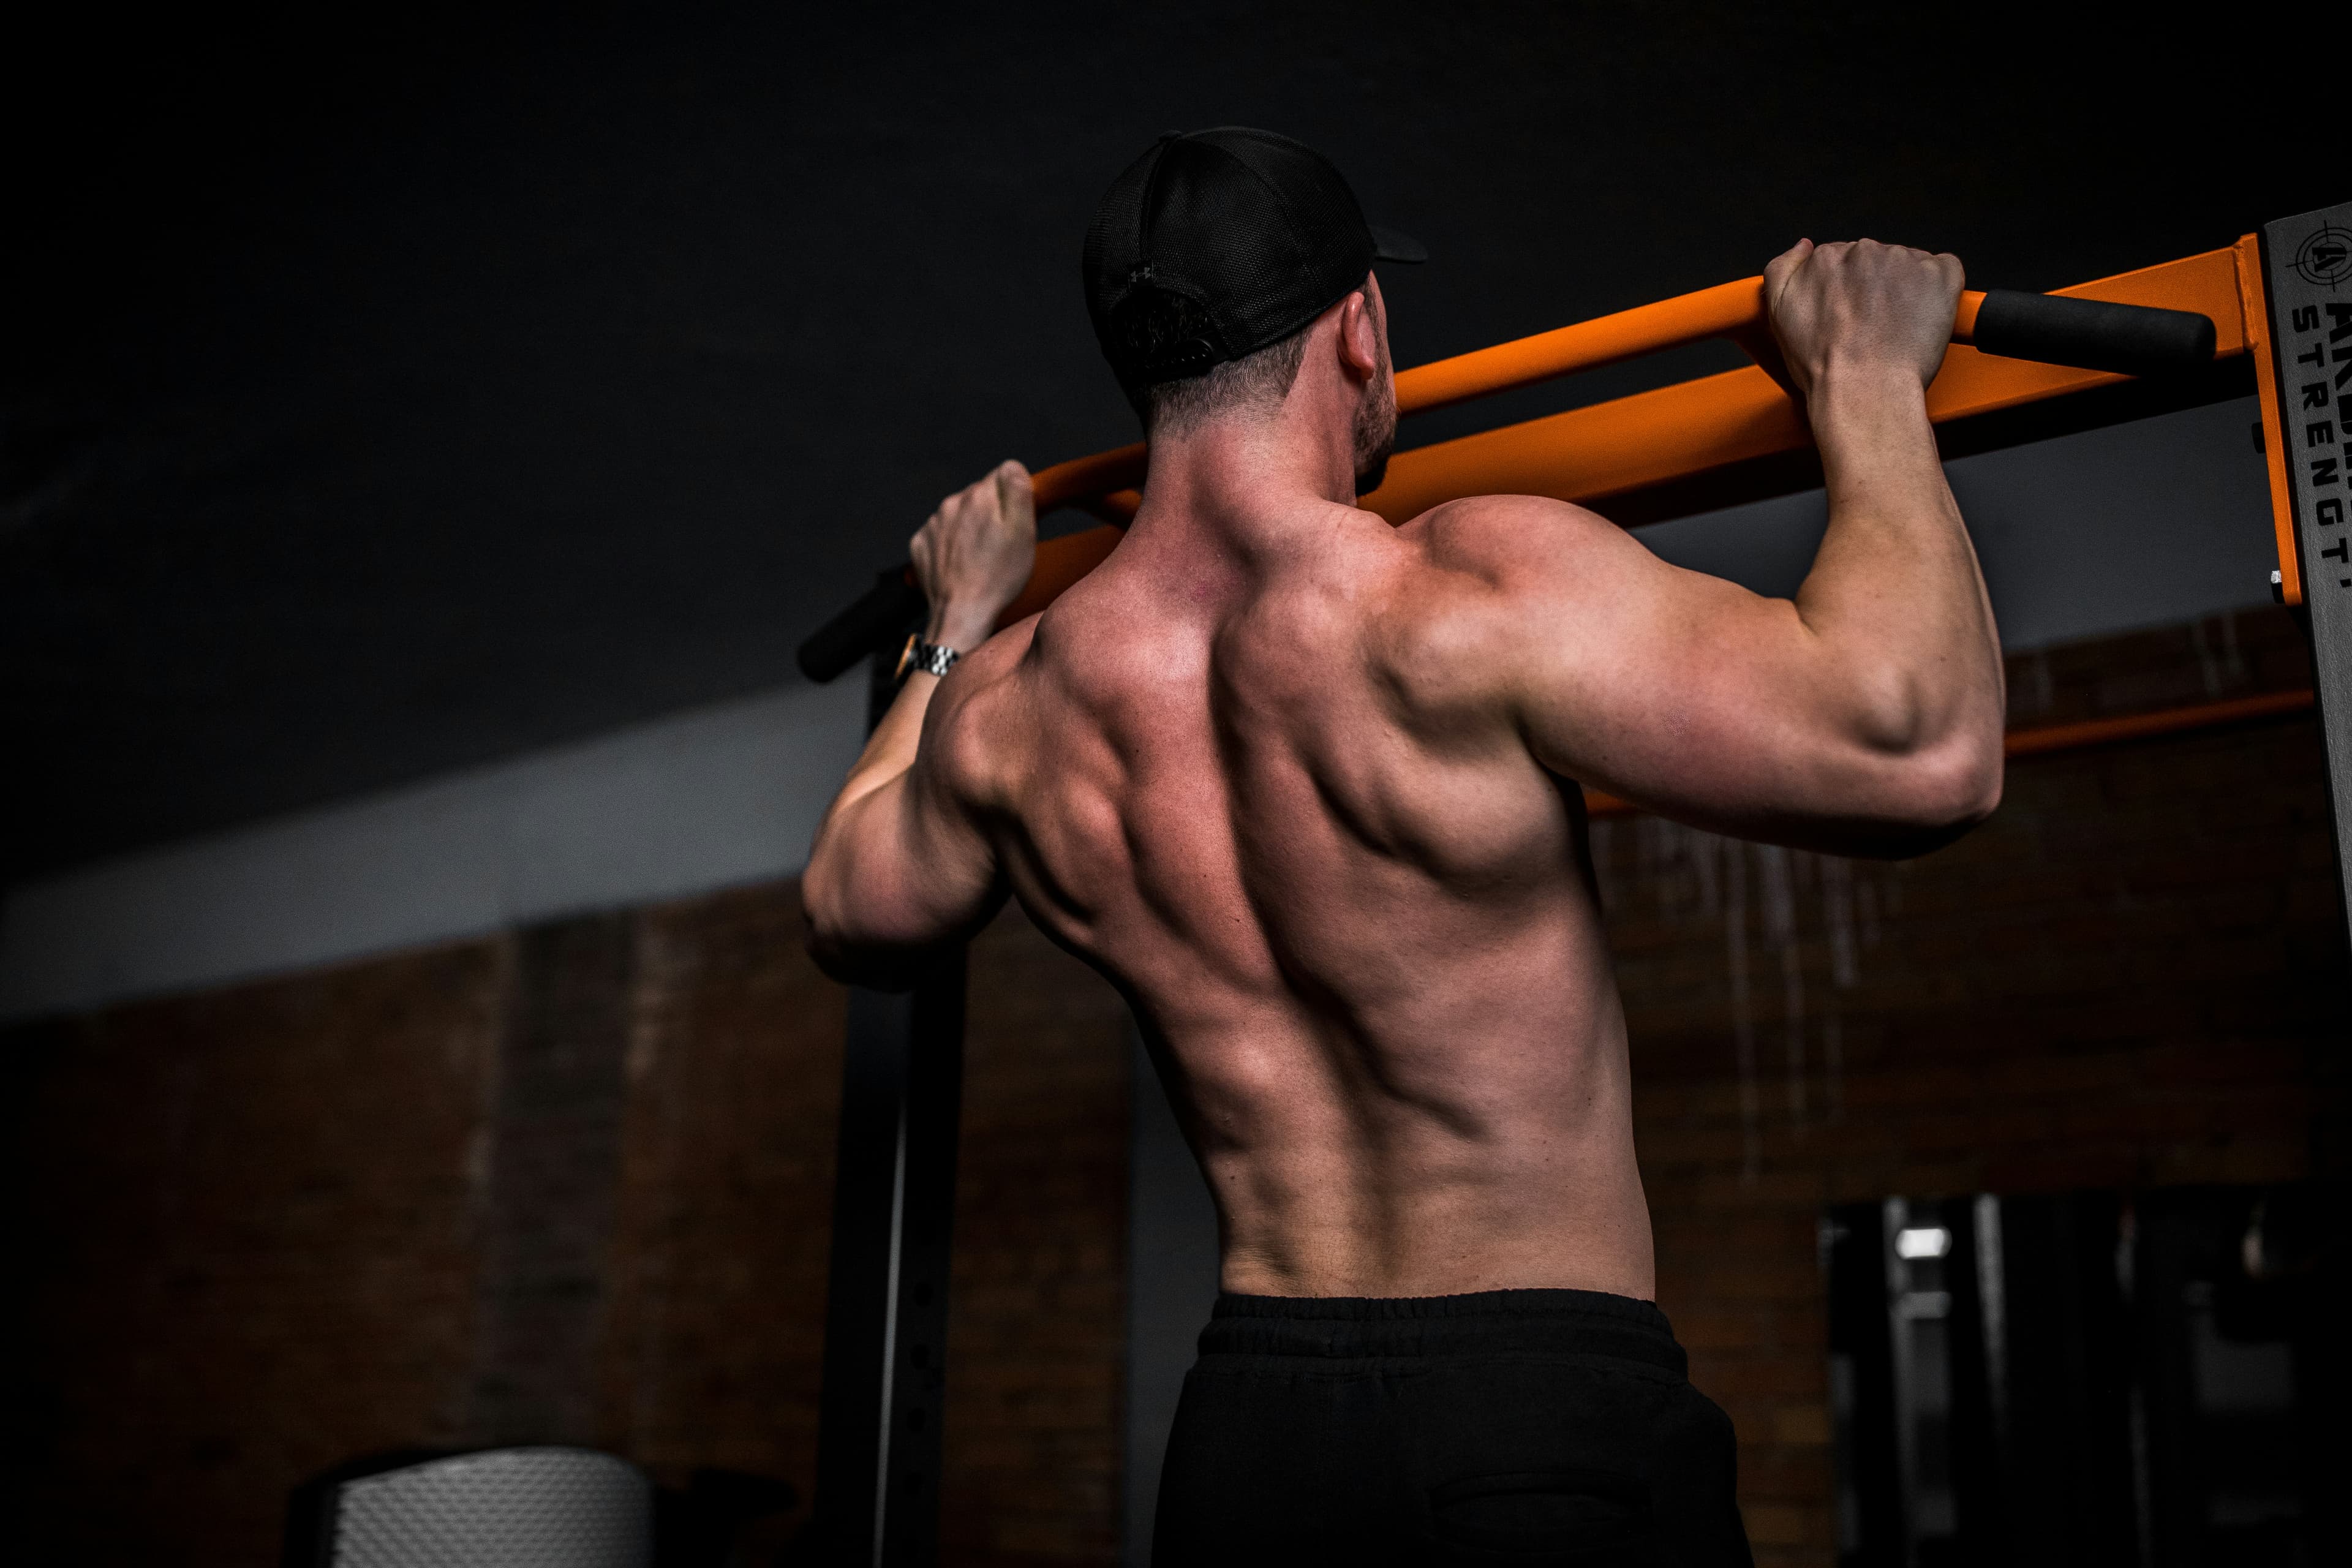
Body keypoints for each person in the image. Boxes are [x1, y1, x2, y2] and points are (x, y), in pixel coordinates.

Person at [803, 127, 2004, 1565]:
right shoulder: (1456, 591)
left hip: (1249, 1442)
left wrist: (953, 623)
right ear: (1360, 329)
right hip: (1536, 1416)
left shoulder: (1014, 705)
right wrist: (1867, 378)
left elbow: (852, 902)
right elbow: (1923, 749)